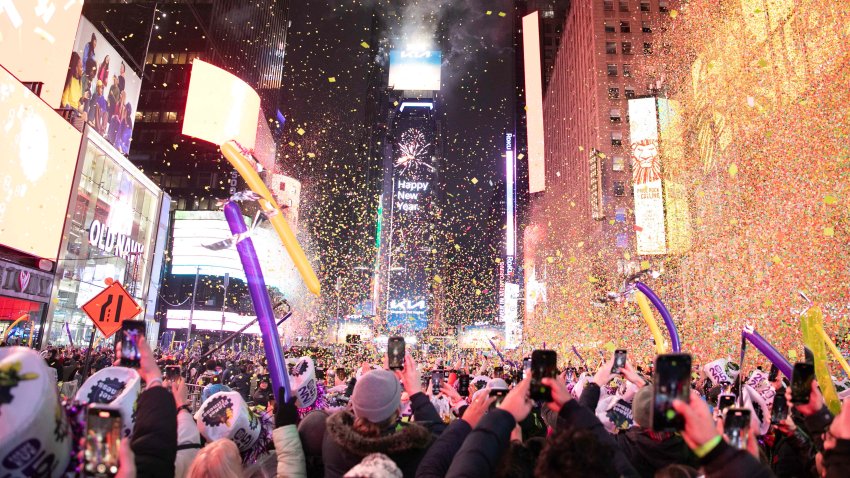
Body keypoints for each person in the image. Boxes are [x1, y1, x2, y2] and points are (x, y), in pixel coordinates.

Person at [322, 353, 446, 477]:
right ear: (398, 409)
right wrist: (416, 393)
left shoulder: (334, 441)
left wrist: (372, 384)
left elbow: (361, 406)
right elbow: (440, 439)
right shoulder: (413, 449)